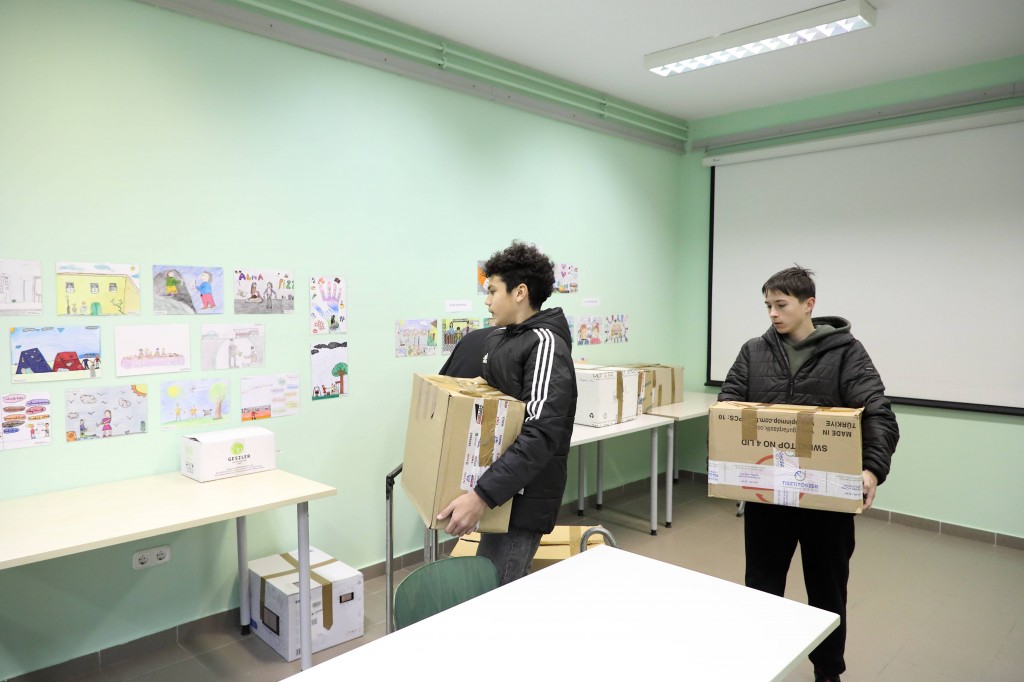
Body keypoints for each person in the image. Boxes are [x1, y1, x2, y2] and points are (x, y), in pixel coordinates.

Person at [718, 265, 899, 682]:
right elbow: (728, 409)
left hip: (826, 500)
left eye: (781, 305)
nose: (773, 314)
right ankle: (761, 664)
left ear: (808, 304)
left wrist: (872, 469)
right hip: (768, 497)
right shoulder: (754, 352)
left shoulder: (847, 353)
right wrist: (726, 458)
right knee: (761, 588)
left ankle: (828, 672)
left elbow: (878, 413)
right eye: (768, 305)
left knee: (827, 592)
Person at [436, 241, 577, 585]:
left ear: (520, 292)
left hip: (522, 499)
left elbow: (540, 434)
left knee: (500, 591)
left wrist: (482, 495)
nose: (486, 300)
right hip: (500, 490)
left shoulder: (545, 344)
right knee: (489, 586)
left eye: (492, 291)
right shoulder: (502, 339)